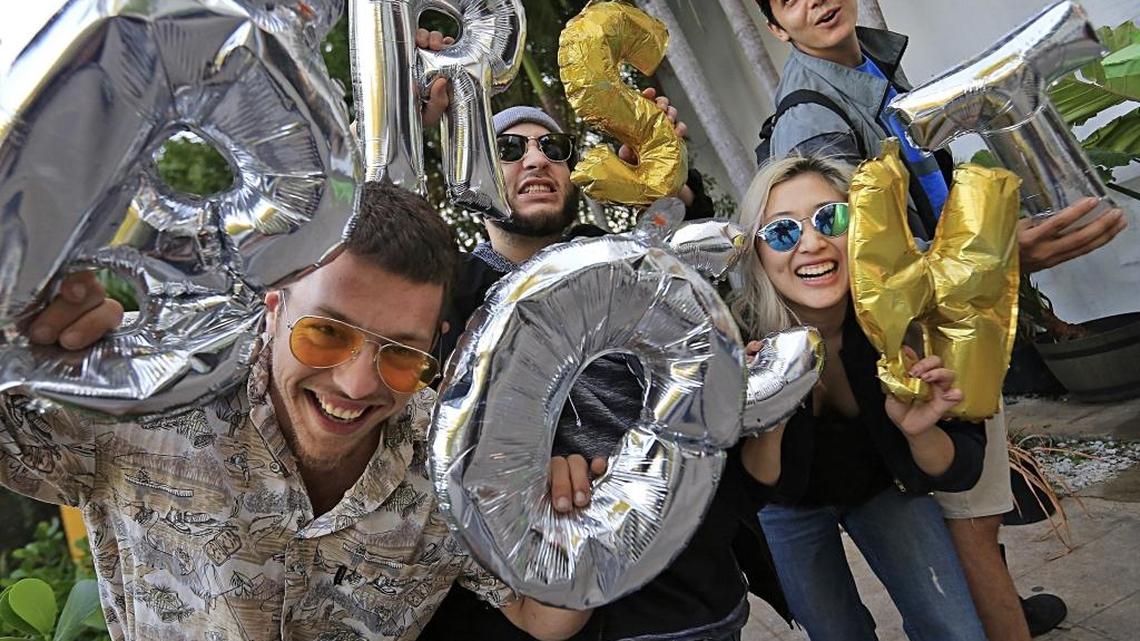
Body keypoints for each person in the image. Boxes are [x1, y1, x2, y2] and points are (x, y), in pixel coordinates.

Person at [0, 182, 591, 641]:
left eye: (401, 354)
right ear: (274, 303)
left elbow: (540, 614)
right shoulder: (149, 384)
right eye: (328, 333)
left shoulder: (455, 457)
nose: (357, 384)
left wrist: (583, 521)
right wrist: (18, 334)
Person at [753, 1, 1128, 637]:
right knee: (969, 525)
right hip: (921, 342)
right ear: (775, 26)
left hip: (948, 320)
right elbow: (855, 267)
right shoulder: (812, 114)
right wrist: (1001, 257)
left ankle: (999, 607)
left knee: (976, 516)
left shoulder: (871, 69)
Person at [418, 99, 775, 641]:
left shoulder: (626, 260)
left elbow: (696, 282)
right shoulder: (440, 313)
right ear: (474, 174)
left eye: (552, 149)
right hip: (579, 613)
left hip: (703, 589)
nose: (536, 160)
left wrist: (669, 179)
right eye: (509, 150)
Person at [731, 154, 990, 641]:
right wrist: (768, 410)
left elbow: (962, 466)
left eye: (833, 218)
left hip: (880, 485)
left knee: (955, 629)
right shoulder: (737, 342)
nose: (812, 243)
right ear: (757, 254)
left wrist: (921, 431)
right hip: (786, 502)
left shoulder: (914, 316)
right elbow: (748, 490)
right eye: (782, 232)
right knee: (835, 632)